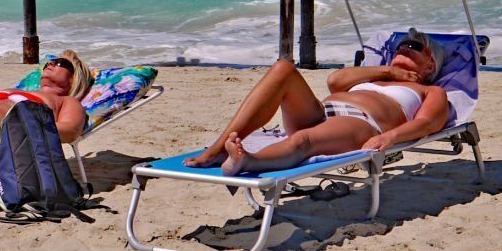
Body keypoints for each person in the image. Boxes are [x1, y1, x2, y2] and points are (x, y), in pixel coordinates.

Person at [184, 29, 451, 176]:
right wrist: (387, 71)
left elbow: (429, 123)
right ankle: (219, 148)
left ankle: (249, 161)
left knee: (303, 140)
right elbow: (335, 81)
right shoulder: (379, 75)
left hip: (359, 122)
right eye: (401, 45)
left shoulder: (430, 91)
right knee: (283, 69)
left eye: (414, 47)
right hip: (322, 111)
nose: (404, 47)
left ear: (431, 64)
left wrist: (389, 137)